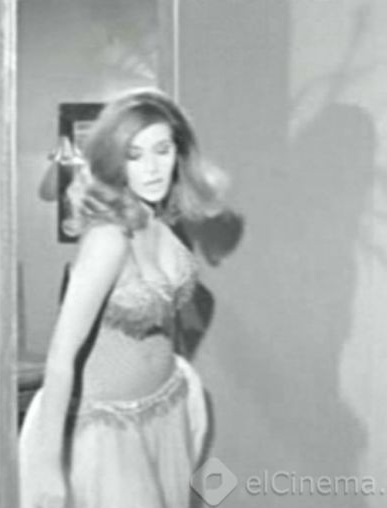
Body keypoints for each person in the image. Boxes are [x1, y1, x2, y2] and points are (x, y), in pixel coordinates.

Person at [19, 88, 228, 508]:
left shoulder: (159, 222)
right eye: (134, 155)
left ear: (179, 153)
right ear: (116, 162)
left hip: (166, 406)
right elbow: (60, 356)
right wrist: (47, 466)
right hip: (107, 429)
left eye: (162, 150)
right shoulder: (108, 238)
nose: (152, 168)